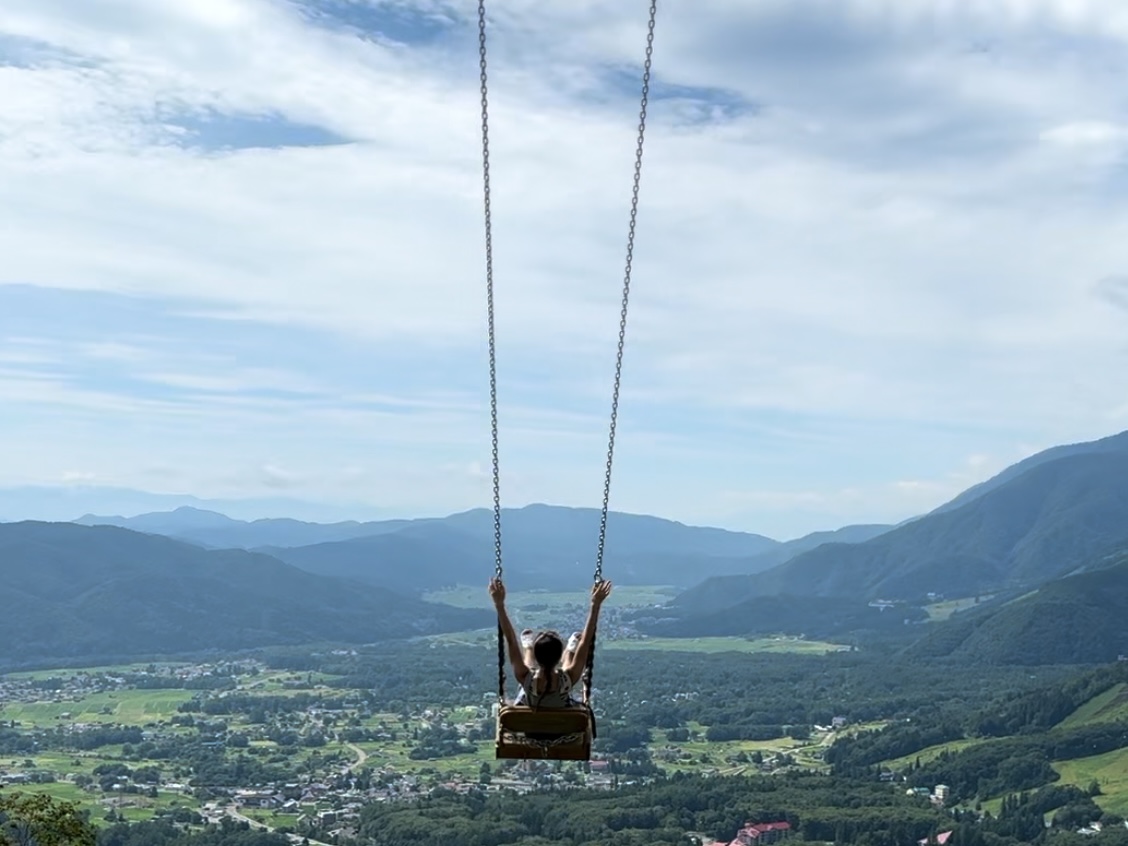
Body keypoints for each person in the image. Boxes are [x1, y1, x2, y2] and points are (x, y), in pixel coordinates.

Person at [489, 577, 612, 708]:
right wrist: (596, 604)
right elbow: (585, 641)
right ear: (558, 658)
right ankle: (569, 651)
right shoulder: (568, 679)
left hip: (529, 722)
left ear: (537, 657)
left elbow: (511, 641)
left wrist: (499, 604)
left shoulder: (525, 678)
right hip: (561, 722)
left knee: (528, 668)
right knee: (566, 669)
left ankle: (529, 649)